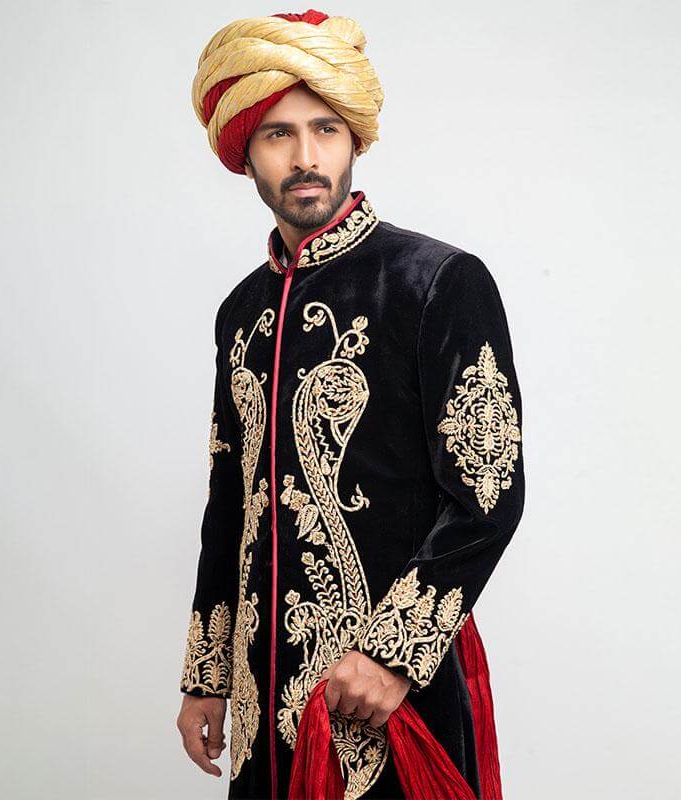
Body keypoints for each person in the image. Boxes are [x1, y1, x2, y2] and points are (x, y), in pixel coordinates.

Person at [175, 9, 525, 800]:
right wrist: (205, 675)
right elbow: (229, 505)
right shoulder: (241, 314)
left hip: (391, 697)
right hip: (265, 699)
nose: (305, 157)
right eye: (277, 134)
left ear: (354, 139)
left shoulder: (437, 281)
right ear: (245, 155)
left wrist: (393, 658)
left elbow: (488, 495)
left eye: (325, 128)